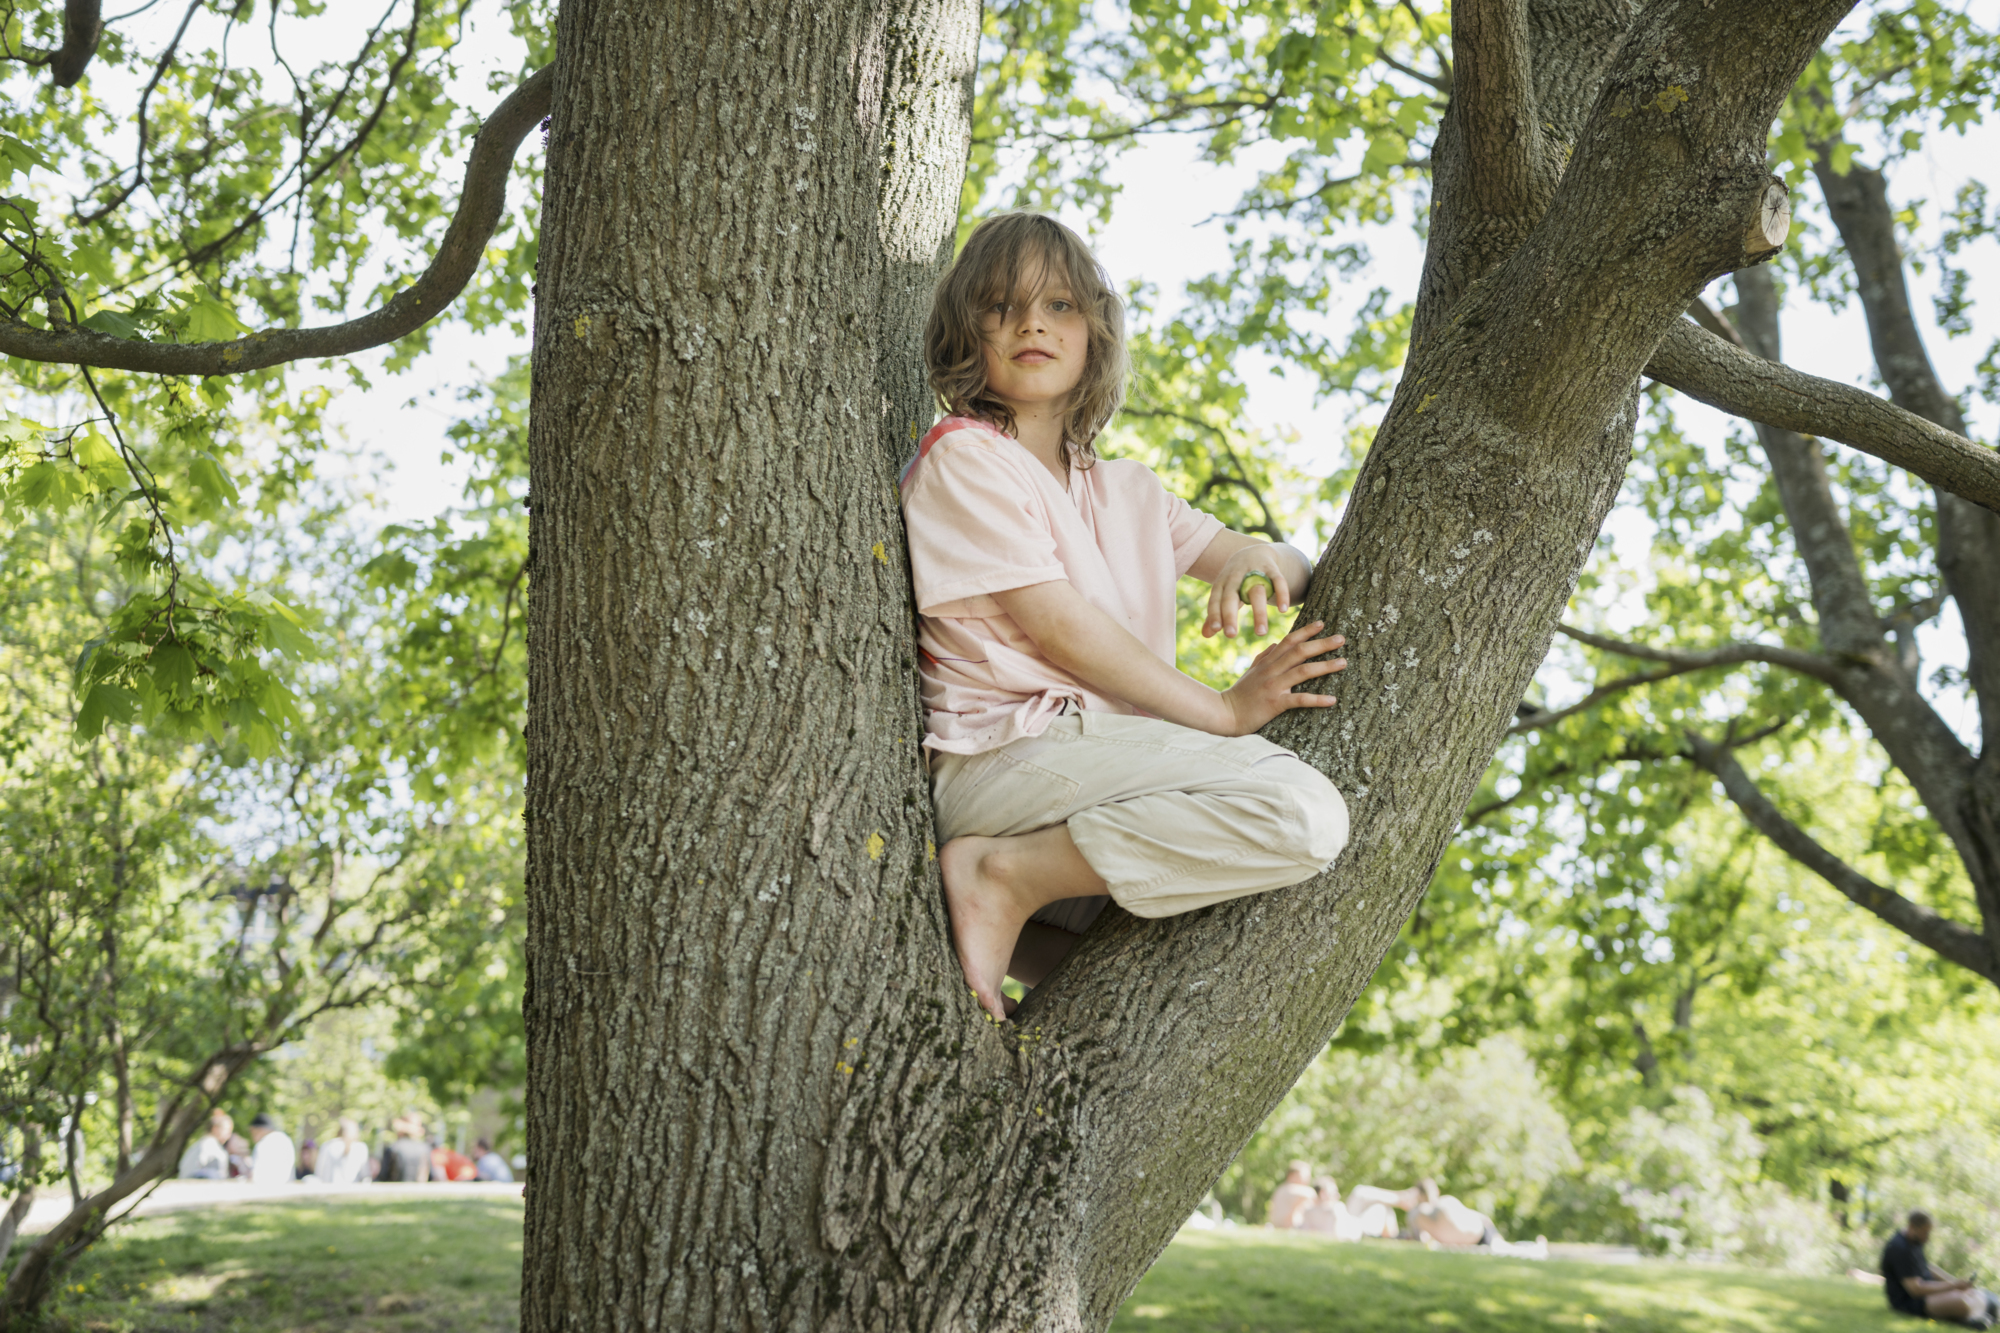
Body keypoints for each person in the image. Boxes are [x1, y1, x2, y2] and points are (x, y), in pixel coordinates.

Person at [905, 212, 1351, 1021]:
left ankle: (1022, 921)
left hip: (1098, 779)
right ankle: (1003, 877)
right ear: (967, 329)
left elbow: (1290, 566)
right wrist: (1221, 710)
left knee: (1195, 971)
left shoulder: (1129, 490)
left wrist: (1261, 555)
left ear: (1095, 332)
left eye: (1061, 306)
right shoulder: (965, 457)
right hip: (1008, 759)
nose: (1033, 323)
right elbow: (1059, 626)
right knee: (1302, 812)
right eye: (1003, 306)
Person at [1882, 1210, 1999, 1327]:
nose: (1927, 1238)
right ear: (1913, 1226)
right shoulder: (1900, 1248)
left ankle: (1981, 1314)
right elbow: (1916, 1290)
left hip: (1926, 1295)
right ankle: (1976, 1316)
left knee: (1972, 1293)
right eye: (1925, 1233)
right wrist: (1953, 1286)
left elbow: (1927, 1268)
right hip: (1909, 1302)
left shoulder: (1914, 1242)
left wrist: (1954, 1282)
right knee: (1962, 1302)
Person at [1300, 1176, 1395, 1240]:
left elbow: (1305, 1231)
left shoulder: (1308, 1210)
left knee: (1378, 1205)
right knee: (1382, 1208)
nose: (1338, 1195)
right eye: (1334, 1192)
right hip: (1361, 1230)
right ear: (1323, 1194)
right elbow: (1339, 1235)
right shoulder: (1336, 1207)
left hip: (1357, 1225)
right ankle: (1394, 1238)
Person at [314, 1118, 372, 1185]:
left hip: (330, 1188)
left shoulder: (327, 1146)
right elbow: (365, 1175)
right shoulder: (361, 1148)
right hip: (350, 1190)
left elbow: (319, 1172)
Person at [176, 1110, 232, 1180]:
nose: (229, 1135)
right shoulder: (211, 1146)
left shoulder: (198, 1145)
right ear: (215, 1129)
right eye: (227, 1130)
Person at [246, 1113, 295, 1186]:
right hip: (286, 1189)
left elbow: (255, 1176)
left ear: (260, 1129)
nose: (251, 1135)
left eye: (252, 1131)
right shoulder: (286, 1140)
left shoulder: (263, 1144)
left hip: (266, 1191)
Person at [1266, 1161, 1318, 1229]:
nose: (1307, 1179)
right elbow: (1311, 1195)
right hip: (1288, 1228)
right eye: (1304, 1176)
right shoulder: (1289, 1189)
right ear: (1291, 1176)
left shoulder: (1281, 1189)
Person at [378, 1116, 431, 1183]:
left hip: (396, 1190)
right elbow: (430, 1175)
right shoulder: (425, 1148)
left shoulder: (393, 1148)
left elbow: (383, 1175)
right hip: (419, 1190)